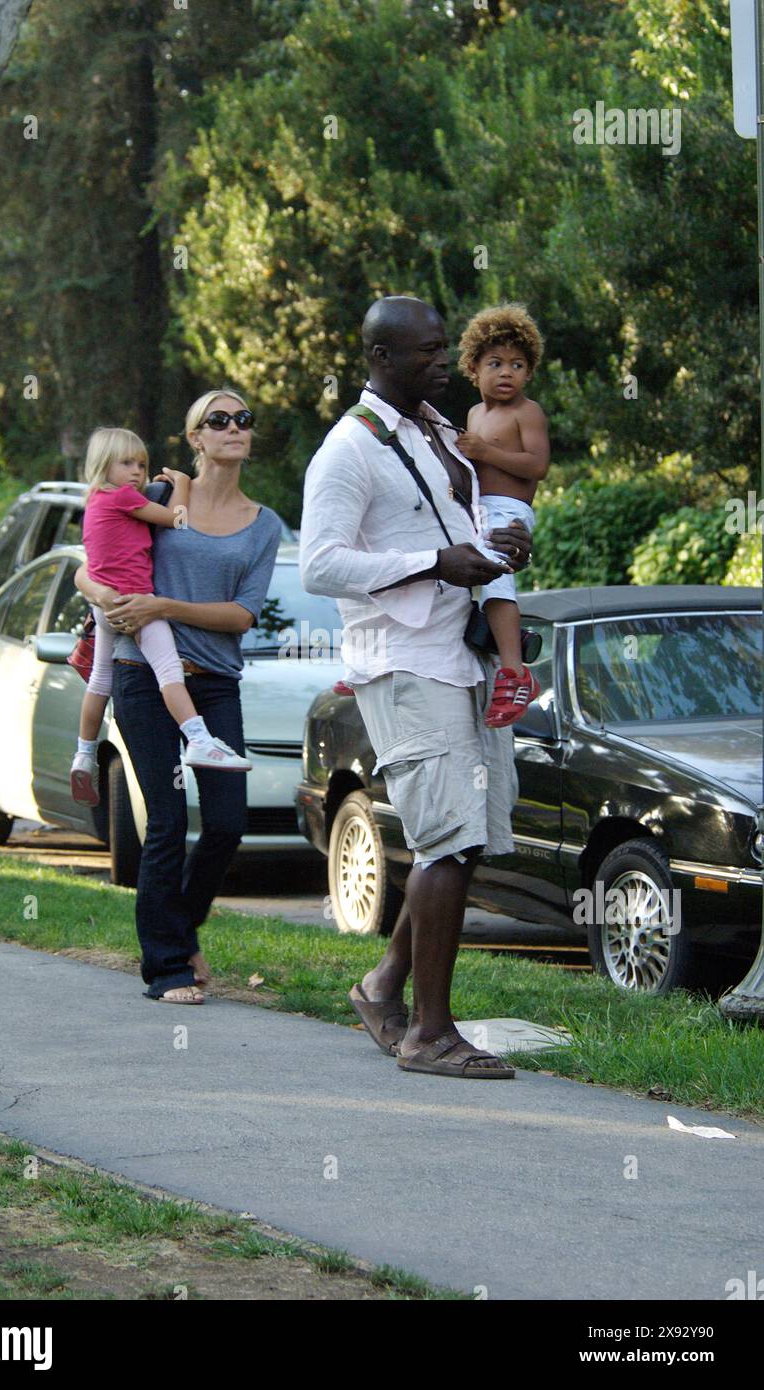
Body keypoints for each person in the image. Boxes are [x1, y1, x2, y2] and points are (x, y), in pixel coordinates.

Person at [300, 296, 532, 1079]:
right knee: (446, 841)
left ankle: (380, 989)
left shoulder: (437, 430)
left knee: (464, 841)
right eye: (428, 351)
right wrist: (434, 563)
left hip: (458, 655)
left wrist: (494, 543)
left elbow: (457, 526)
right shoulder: (347, 450)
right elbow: (319, 564)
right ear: (379, 357)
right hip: (402, 664)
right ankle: (429, 1034)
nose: (444, 362)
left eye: (443, 348)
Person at [74, 392, 281, 1004]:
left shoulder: (264, 524)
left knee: (225, 823)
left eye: (244, 418)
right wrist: (95, 588)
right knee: (165, 821)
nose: (233, 428)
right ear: (194, 437)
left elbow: (242, 616)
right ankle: (165, 967)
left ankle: (181, 928)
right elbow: (97, 559)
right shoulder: (161, 499)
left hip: (214, 682)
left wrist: (164, 606)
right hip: (144, 677)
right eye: (218, 420)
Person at [71, 426, 251, 808]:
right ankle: (200, 740)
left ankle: (84, 754)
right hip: (137, 604)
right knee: (169, 671)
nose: (137, 472)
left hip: (104, 606)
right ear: (104, 465)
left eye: (142, 464)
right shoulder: (122, 497)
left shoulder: (95, 498)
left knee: (100, 680)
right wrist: (182, 482)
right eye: (126, 464)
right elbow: (178, 520)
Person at [455, 304, 550, 727]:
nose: (507, 372)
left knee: (497, 583)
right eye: (496, 363)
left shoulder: (526, 412)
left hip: (510, 512)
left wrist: (485, 452)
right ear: (473, 368)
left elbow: (537, 466)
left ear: (529, 372)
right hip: (477, 511)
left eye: (517, 364)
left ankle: (515, 672)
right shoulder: (475, 414)